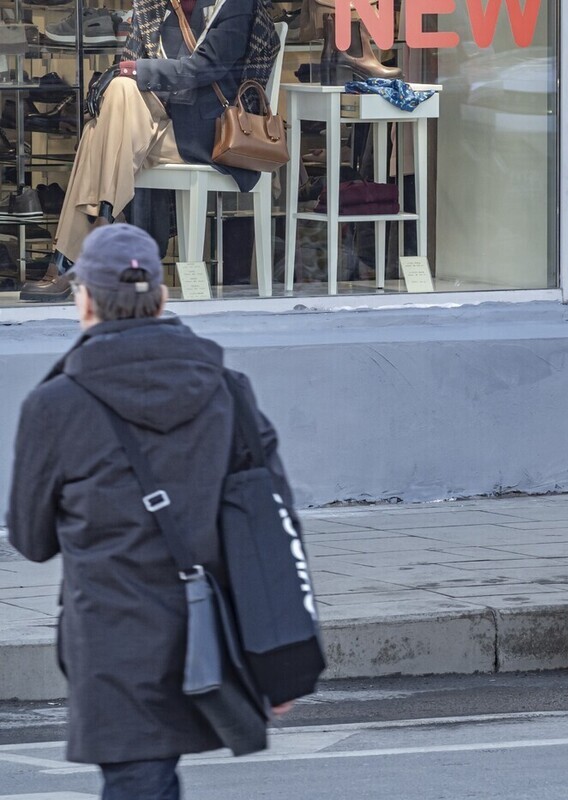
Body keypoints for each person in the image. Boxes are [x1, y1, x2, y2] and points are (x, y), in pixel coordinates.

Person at [6, 224, 295, 798]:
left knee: (140, 780)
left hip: (112, 637)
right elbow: (274, 525)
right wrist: (284, 655)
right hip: (215, 630)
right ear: (162, 298)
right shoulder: (227, 388)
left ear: (84, 299)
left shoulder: (55, 403)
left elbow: (31, 539)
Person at [20, 0, 280, 302]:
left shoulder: (234, 4)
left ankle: (73, 257)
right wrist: (121, 75)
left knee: (98, 134)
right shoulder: (154, 5)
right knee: (117, 96)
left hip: (214, 131)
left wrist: (131, 70)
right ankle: (101, 228)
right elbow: (129, 64)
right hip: (155, 125)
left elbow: (205, 68)